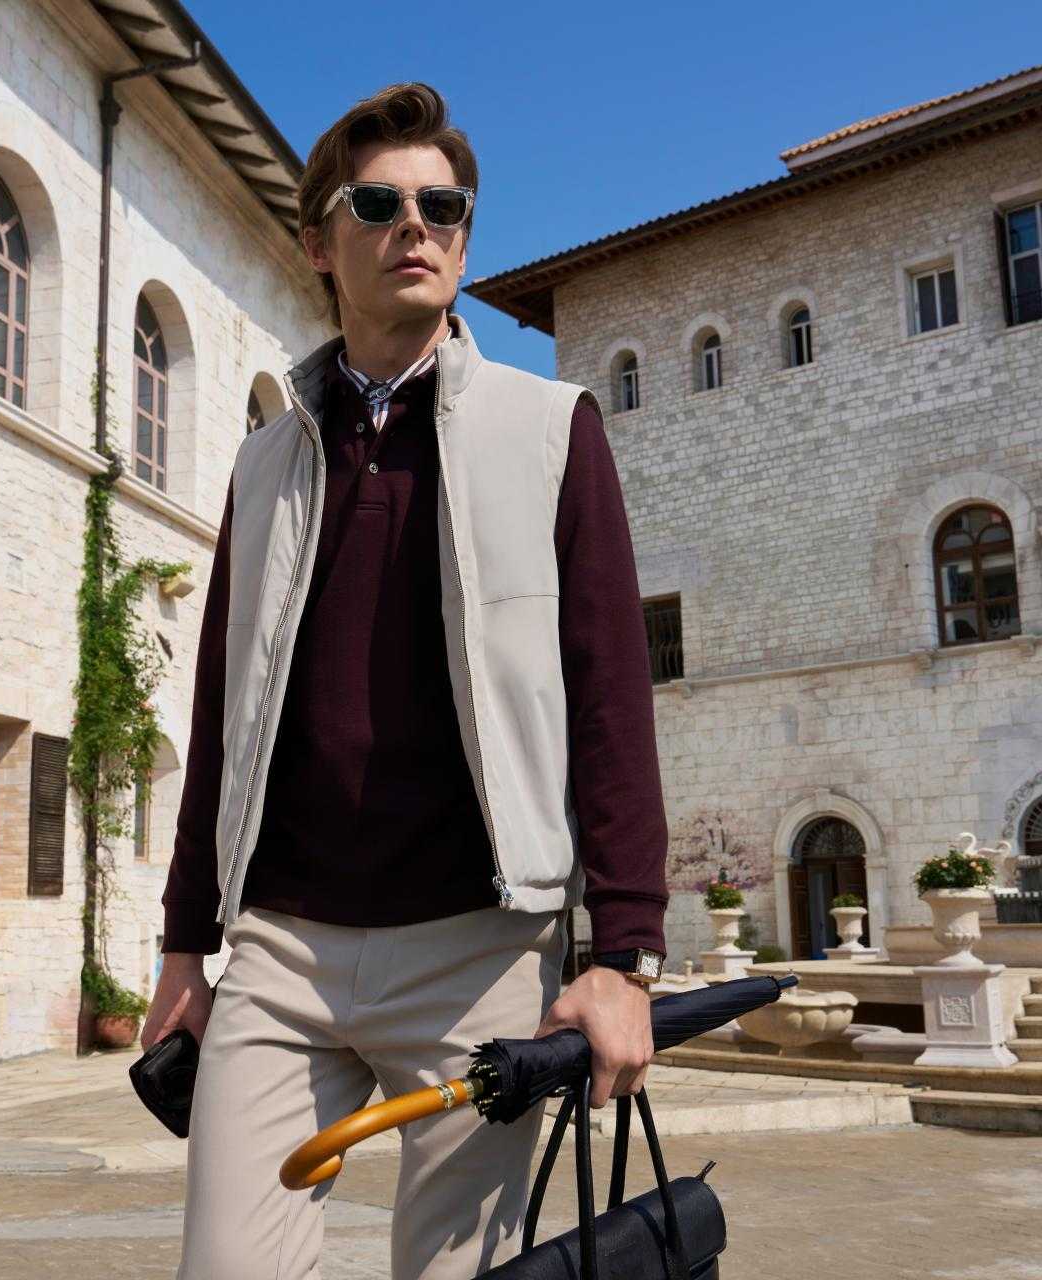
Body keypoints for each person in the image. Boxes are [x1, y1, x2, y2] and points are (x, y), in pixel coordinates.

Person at [141, 82, 670, 1279]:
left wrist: (622, 953)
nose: (416, 225)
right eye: (379, 204)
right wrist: (184, 946)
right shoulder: (263, 463)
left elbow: (609, 698)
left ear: (465, 241)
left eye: (444, 206)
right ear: (319, 243)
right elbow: (223, 715)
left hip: (478, 951)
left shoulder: (553, 429)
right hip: (282, 949)